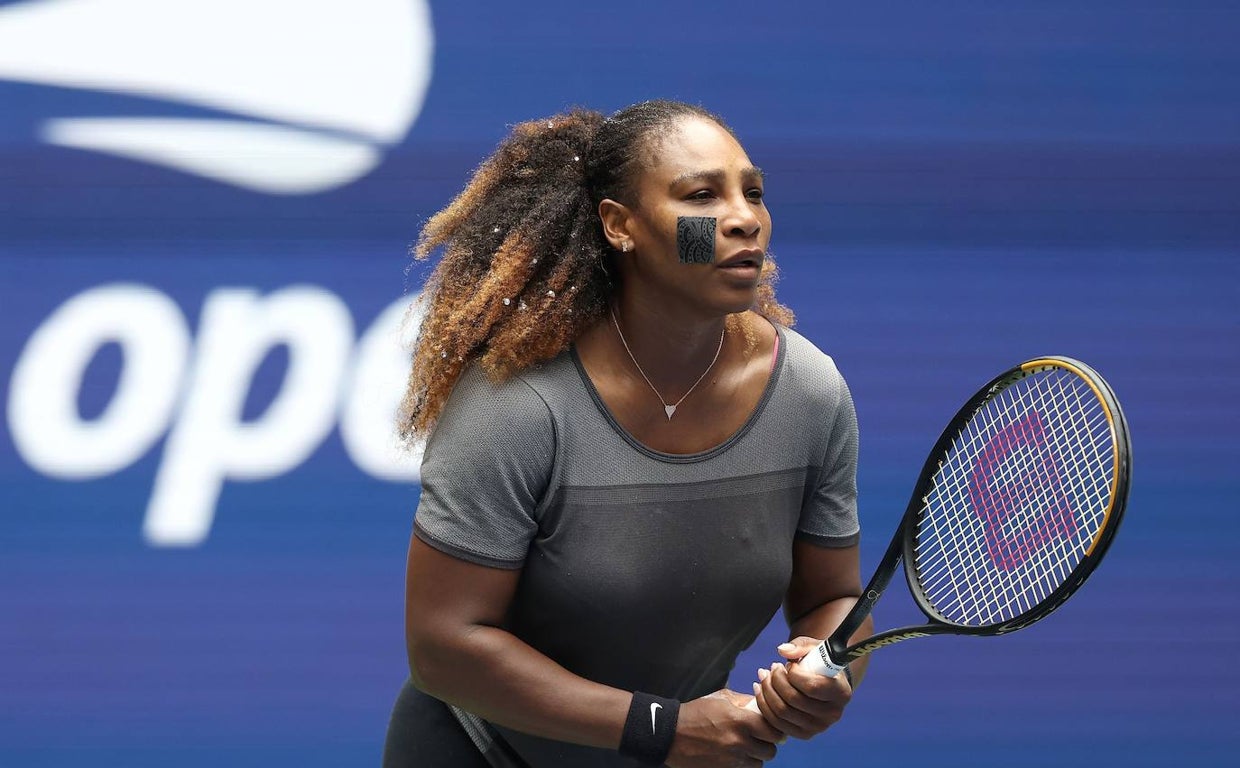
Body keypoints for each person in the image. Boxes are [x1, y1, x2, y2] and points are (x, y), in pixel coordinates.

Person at [382, 99, 873, 768]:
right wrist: (660, 729)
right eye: (702, 195)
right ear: (620, 226)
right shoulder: (521, 407)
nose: (744, 218)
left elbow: (833, 597)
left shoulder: (810, 394)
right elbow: (444, 645)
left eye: (753, 192)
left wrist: (827, 670)